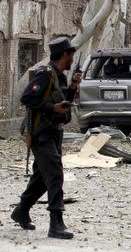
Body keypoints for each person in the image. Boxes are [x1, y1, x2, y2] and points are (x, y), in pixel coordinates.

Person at [11, 37, 82, 239]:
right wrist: (51, 108)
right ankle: (56, 224)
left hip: (54, 133)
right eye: (71, 56)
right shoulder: (45, 74)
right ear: (65, 55)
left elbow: (61, 99)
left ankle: (21, 211)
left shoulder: (59, 76)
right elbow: (27, 98)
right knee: (55, 174)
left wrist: (73, 87)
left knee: (42, 178)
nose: (72, 60)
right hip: (42, 133)